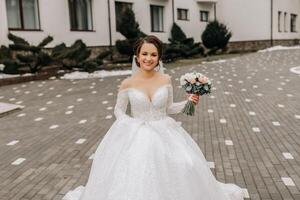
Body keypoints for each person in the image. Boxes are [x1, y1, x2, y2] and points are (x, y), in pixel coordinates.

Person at [62, 35, 244, 200]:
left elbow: (169, 108)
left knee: (183, 164)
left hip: (164, 131)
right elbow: (118, 110)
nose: (148, 58)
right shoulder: (128, 83)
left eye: (153, 55)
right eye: (145, 54)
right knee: (135, 174)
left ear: (158, 58)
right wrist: (128, 123)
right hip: (136, 134)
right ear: (137, 56)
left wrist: (189, 102)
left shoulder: (165, 80)